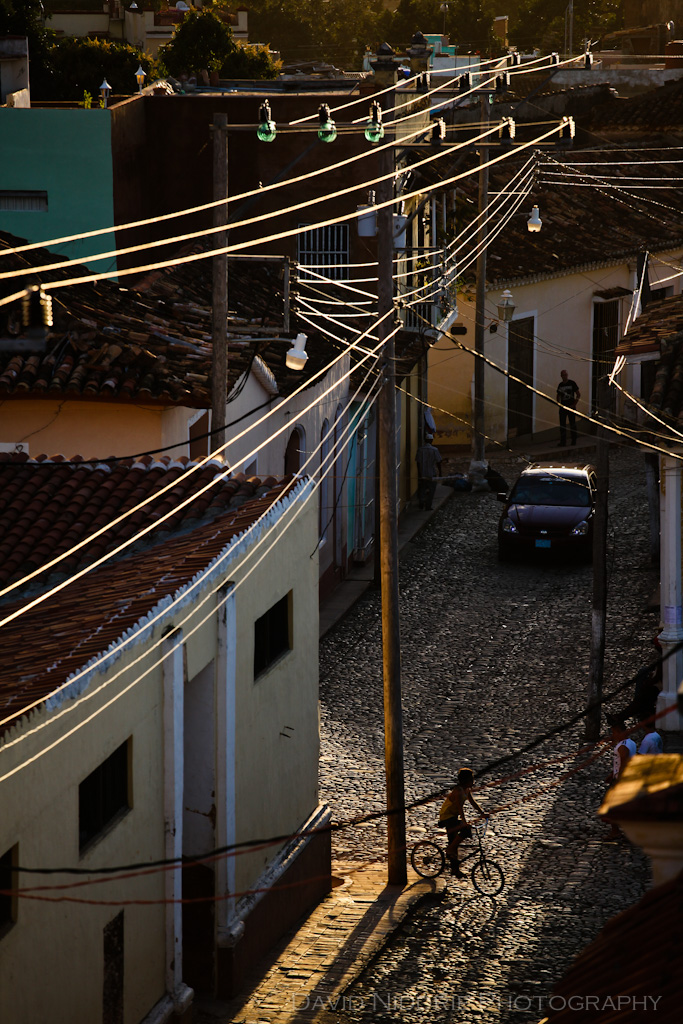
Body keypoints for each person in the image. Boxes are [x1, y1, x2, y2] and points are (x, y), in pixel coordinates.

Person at [439, 767, 486, 878]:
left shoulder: (466, 790)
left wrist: (482, 813)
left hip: (453, 816)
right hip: (447, 816)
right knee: (464, 831)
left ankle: (455, 869)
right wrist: (464, 823)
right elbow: (460, 808)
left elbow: (472, 802)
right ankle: (450, 850)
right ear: (466, 781)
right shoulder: (458, 791)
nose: (473, 782)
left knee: (454, 842)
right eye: (471, 779)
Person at [604, 720, 636, 839]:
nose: (613, 735)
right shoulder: (631, 743)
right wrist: (612, 774)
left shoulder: (622, 746)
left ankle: (615, 831)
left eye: (614, 732)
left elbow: (623, 763)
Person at [415, 433, 442, 511]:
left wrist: (419, 473)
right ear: (431, 440)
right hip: (431, 473)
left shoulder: (420, 450)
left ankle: (421, 502)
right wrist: (440, 472)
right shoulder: (434, 450)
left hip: (422, 473)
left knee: (422, 488)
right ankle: (428, 505)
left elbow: (418, 462)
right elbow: (438, 462)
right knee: (431, 490)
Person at [556, 369, 580, 446]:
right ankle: (563, 442)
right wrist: (559, 404)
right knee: (562, 425)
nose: (564, 376)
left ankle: (574, 440)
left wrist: (574, 404)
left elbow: (578, 394)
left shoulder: (572, 383)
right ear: (561, 376)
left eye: (565, 375)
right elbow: (558, 395)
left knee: (572, 424)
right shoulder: (560, 385)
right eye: (563, 375)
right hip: (563, 407)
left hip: (571, 406)